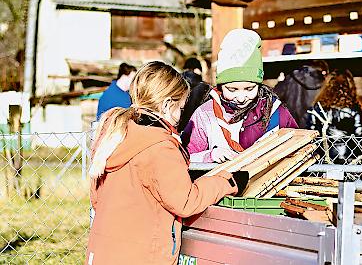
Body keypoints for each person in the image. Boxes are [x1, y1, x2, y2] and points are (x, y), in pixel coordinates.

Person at [86, 61, 241, 264]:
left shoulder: (116, 134)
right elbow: (186, 201)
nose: (180, 116)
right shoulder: (159, 147)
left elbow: (96, 198)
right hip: (141, 256)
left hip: (104, 251)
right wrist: (226, 181)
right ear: (168, 105)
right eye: (181, 108)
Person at [183, 29, 298, 163]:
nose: (241, 97)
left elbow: (297, 148)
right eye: (232, 89)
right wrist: (210, 156)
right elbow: (185, 157)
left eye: (249, 88)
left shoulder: (275, 113)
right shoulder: (206, 114)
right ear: (221, 86)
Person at [306, 69, 362, 163]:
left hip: (324, 155)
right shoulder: (353, 108)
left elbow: (311, 131)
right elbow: (359, 134)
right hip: (349, 156)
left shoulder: (318, 108)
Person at [274, 60, 328, 128]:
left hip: (292, 126)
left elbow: (273, 97)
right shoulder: (325, 83)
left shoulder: (290, 79)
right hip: (314, 126)